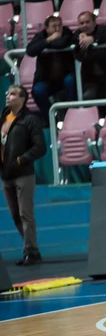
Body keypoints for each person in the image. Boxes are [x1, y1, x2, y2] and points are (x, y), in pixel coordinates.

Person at [0, 85, 46, 266]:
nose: (8, 96)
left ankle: (31, 251)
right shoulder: (3, 118)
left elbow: (40, 147)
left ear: (22, 99)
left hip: (23, 174)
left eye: (12, 94)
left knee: (25, 213)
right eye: (7, 93)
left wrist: (21, 160)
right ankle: (31, 248)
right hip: (5, 174)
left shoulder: (30, 120)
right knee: (15, 215)